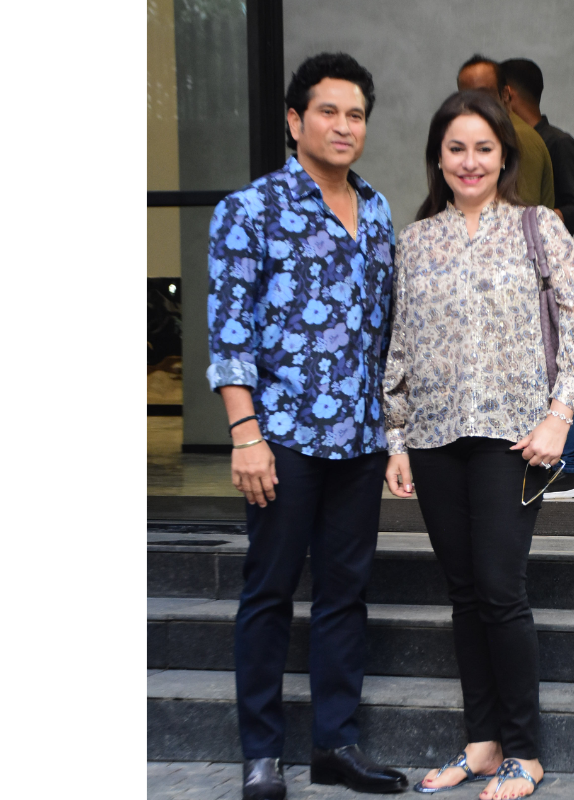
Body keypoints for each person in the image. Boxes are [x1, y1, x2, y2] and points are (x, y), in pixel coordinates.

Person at [382, 90, 574, 800]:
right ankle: (482, 744)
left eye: (484, 148)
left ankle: (526, 751)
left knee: (501, 591)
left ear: (504, 155)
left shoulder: (538, 227)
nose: (470, 161)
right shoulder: (416, 241)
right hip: (434, 437)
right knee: (463, 592)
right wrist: (395, 439)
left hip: (514, 440)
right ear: (438, 157)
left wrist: (558, 415)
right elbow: (398, 346)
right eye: (456, 148)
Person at [206, 52, 409, 800]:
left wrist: (393, 434)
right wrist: (246, 435)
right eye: (328, 111)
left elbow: (386, 334)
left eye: (356, 114)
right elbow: (229, 335)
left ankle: (336, 745)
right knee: (268, 591)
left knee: (345, 595)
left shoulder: (379, 211)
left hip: (358, 441)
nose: (344, 126)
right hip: (282, 440)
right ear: (295, 122)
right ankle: (261, 754)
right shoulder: (250, 211)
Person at [499, 57, 574, 499]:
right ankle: (565, 464)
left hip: (548, 272)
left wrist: (543, 226)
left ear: (506, 95)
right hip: (529, 272)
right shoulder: (518, 141)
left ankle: (572, 466)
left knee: (555, 359)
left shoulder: (555, 144)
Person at [457, 55, 555, 209]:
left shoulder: (518, 138)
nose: (475, 103)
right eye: (466, 97)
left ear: (505, 95)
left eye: (484, 94)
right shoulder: (486, 137)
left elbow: (520, 215)